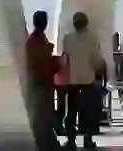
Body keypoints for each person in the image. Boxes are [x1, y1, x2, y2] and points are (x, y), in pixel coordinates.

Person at [61, 12, 105, 150]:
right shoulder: (92, 39)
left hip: (72, 81)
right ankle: (87, 140)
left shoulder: (67, 39)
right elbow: (96, 60)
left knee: (72, 112)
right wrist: (100, 73)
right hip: (88, 81)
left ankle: (71, 140)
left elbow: (65, 60)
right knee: (87, 112)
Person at [25, 11, 60, 150]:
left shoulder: (35, 39)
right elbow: (41, 63)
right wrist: (55, 63)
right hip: (42, 81)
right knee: (43, 113)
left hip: (42, 80)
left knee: (44, 112)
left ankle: (48, 141)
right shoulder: (36, 40)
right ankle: (45, 142)